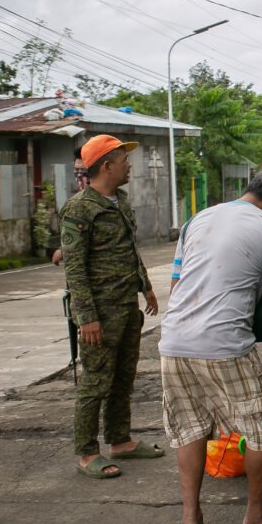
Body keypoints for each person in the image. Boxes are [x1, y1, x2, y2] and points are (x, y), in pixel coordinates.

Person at [158, 171, 262, 524]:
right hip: (225, 344)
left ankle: (191, 523)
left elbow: (177, 287)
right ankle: (257, 514)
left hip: (173, 341)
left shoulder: (196, 221)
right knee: (261, 425)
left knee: (189, 428)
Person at [59, 134, 161, 480]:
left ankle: (120, 440)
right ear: (106, 166)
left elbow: (130, 250)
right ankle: (87, 452)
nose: (128, 165)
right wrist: (86, 317)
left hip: (126, 308)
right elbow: (75, 268)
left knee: (122, 379)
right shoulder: (79, 209)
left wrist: (146, 287)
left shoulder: (121, 202)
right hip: (99, 314)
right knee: (95, 383)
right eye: (123, 160)